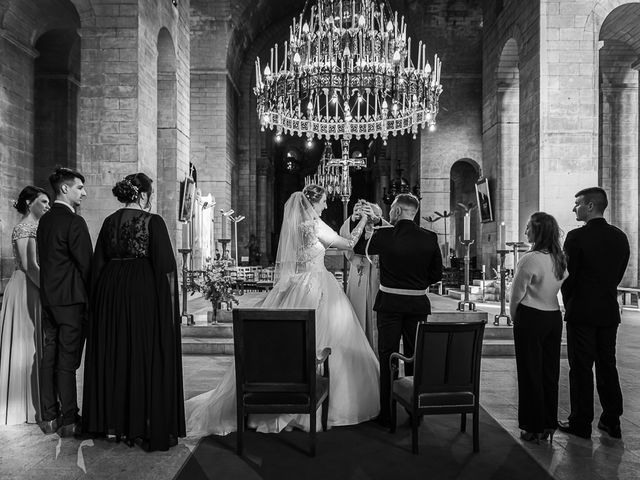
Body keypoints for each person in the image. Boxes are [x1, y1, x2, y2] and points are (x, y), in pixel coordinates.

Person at [185, 184, 379, 436]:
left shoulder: (297, 227)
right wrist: (363, 219)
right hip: (318, 286)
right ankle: (323, 403)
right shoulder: (315, 225)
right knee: (328, 337)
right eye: (322, 201)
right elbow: (348, 243)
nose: (326, 205)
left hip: (296, 285)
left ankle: (279, 389)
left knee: (284, 341)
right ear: (312, 203)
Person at [82, 173, 185, 451]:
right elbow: (165, 267)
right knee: (141, 354)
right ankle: (141, 423)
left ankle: (113, 423)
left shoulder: (108, 222)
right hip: (141, 293)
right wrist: (168, 310)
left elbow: (98, 264)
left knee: (115, 353)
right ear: (143, 195)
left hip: (110, 291)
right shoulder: (153, 222)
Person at [354, 193, 443, 427]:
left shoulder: (385, 235)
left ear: (398, 211)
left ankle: (387, 413)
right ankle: (416, 411)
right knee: (415, 355)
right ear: (414, 213)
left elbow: (360, 247)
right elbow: (436, 275)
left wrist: (362, 221)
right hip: (417, 305)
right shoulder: (430, 238)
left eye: (392, 208)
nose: (390, 211)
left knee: (388, 355)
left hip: (390, 304)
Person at [558, 187, 629, 440]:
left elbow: (568, 276)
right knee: (608, 365)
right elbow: (618, 273)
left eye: (577, 204)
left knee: (581, 367)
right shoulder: (620, 237)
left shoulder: (576, 238)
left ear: (590, 206)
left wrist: (571, 301)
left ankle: (580, 421)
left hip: (582, 312)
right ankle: (612, 420)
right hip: (608, 311)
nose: (573, 208)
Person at [37, 167, 93, 437]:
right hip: (71, 301)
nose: (84, 192)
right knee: (67, 361)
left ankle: (49, 417)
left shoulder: (45, 221)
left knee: (50, 357)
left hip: (49, 299)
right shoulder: (74, 222)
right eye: (79, 187)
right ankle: (70, 419)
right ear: (64, 189)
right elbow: (87, 266)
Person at [509, 212, 567, 443]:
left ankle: (531, 426)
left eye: (528, 228)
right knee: (550, 372)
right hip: (553, 317)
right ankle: (548, 424)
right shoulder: (559, 257)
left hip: (531, 317)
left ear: (538, 231)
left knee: (530, 372)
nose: (525, 232)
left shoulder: (530, 258)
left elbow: (516, 295)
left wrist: (515, 317)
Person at [0, 186, 50, 425]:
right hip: (26, 287)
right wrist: (48, 289)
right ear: (30, 203)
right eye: (43, 202)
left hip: (32, 285)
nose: (47, 206)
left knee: (33, 343)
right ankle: (21, 406)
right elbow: (30, 266)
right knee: (25, 342)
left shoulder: (38, 227)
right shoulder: (25, 227)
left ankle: (36, 403)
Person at [339, 200, 385, 352]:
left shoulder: (383, 230)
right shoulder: (355, 227)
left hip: (378, 275)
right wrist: (353, 219)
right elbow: (345, 239)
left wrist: (377, 220)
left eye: (375, 216)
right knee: (356, 313)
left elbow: (393, 232)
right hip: (358, 271)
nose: (370, 220)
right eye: (368, 217)